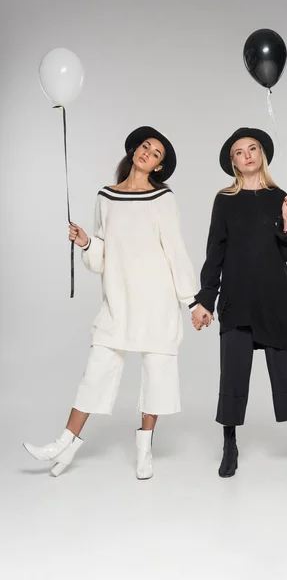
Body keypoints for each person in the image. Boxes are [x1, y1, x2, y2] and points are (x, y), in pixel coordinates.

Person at [23, 126, 197, 478]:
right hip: (119, 299)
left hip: (157, 300)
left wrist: (192, 302)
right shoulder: (106, 196)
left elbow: (175, 251)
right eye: (145, 145)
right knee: (96, 372)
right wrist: (87, 242)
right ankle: (66, 443)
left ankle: (145, 448)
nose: (148, 152)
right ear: (134, 150)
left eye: (156, 153)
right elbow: (103, 256)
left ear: (159, 167)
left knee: (156, 375)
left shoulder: (163, 199)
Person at [191, 127, 287, 477]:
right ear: (232, 162)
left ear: (261, 154)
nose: (246, 155)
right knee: (232, 373)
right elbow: (214, 253)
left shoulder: (278, 196)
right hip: (236, 299)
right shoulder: (224, 200)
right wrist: (204, 300)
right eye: (238, 151)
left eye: (252, 148)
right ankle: (229, 444)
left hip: (274, 298)